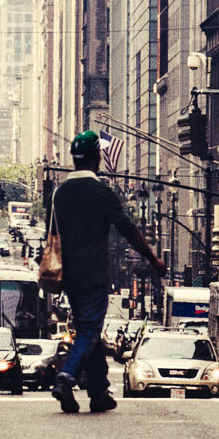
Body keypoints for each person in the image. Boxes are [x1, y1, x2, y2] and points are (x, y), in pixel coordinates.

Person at [47, 130, 167, 414]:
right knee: (89, 330)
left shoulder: (59, 193)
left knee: (90, 329)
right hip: (95, 274)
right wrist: (153, 259)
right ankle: (67, 377)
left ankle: (99, 391)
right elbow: (129, 230)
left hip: (70, 276)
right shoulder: (102, 192)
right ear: (96, 158)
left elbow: (53, 233)